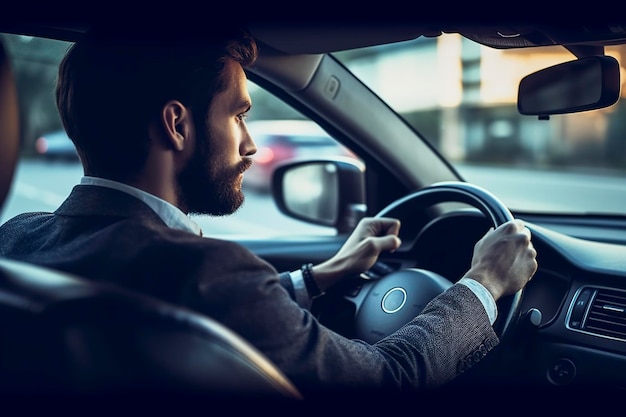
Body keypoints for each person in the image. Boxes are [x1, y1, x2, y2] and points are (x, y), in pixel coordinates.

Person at [0, 26, 537, 397]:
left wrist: (322, 276)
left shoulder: (16, 242)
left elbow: (205, 313)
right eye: (238, 115)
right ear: (176, 124)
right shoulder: (206, 274)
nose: (251, 145)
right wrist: (484, 282)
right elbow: (388, 378)